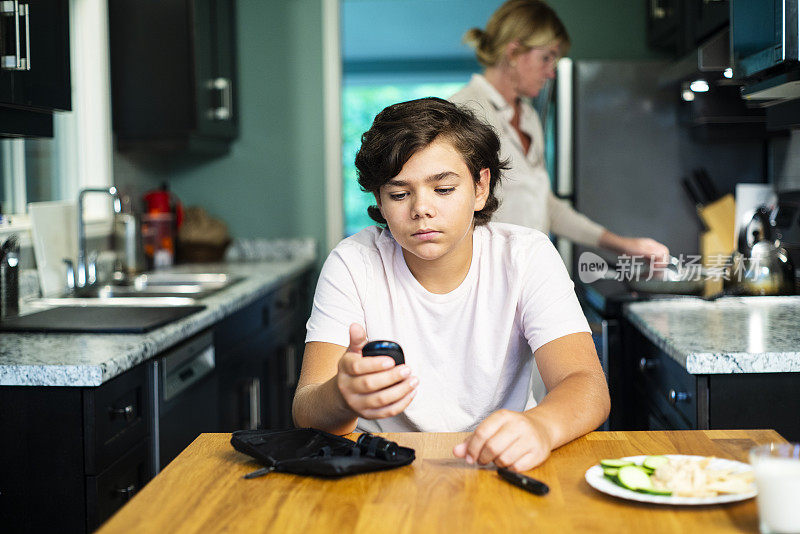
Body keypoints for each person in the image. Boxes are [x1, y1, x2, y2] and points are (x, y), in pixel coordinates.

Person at [293, 97, 610, 472]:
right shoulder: (353, 262)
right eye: (398, 194)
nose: (421, 209)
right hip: (379, 468)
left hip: (499, 462)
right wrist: (341, 397)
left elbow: (586, 384)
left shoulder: (526, 256)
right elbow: (307, 408)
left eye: (443, 189)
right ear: (379, 198)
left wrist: (540, 427)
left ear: (480, 188)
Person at [450, 0, 669, 261]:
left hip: (530, 272)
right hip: (486, 277)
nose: (551, 72)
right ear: (513, 52)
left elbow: (547, 206)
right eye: (547, 57)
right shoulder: (464, 110)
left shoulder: (529, 116)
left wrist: (623, 244)